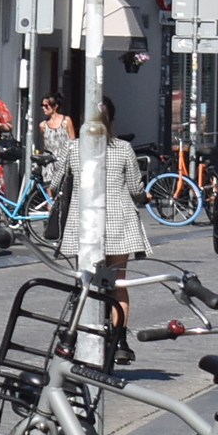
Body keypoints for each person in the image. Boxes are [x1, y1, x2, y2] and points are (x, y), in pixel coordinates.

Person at [59, 97, 152, 355]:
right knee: (118, 284)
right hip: (118, 223)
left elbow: (55, 181)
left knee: (86, 281)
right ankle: (121, 342)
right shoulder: (123, 148)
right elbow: (135, 188)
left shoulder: (74, 148)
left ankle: (77, 337)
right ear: (111, 120)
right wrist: (144, 196)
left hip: (85, 223)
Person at [39, 97, 76, 168]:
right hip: (49, 164)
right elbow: (46, 145)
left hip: (65, 162)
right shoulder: (43, 125)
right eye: (42, 105)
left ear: (55, 106)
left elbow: (72, 141)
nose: (43, 108)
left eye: (46, 106)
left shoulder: (66, 121)